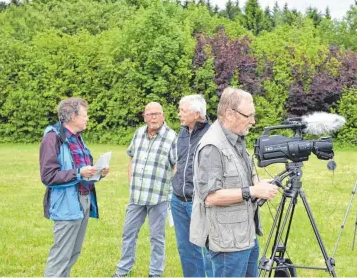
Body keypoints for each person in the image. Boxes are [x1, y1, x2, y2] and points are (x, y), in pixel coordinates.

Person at [190, 87, 279, 277]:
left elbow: (242, 178)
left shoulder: (236, 139)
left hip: (245, 235)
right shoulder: (212, 146)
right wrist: (253, 191)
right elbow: (211, 197)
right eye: (249, 115)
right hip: (227, 243)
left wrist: (262, 184)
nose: (253, 121)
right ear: (230, 114)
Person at [40, 97, 110, 277]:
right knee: (60, 257)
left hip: (84, 201)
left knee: (72, 254)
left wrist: (97, 173)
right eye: (85, 115)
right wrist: (79, 173)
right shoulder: (52, 138)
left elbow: (84, 171)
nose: (87, 118)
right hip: (66, 205)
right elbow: (48, 176)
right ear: (71, 116)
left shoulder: (78, 138)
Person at [113, 102, 177, 278]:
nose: (153, 117)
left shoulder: (172, 137)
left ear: (163, 115)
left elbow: (176, 166)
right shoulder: (139, 133)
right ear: (145, 116)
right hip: (136, 196)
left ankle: (155, 273)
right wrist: (131, 182)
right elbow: (131, 159)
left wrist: (171, 191)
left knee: (157, 238)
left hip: (159, 197)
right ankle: (123, 270)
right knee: (128, 233)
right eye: (150, 114)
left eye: (157, 113)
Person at [171, 95, 213, 277]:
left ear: (197, 114)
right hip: (178, 201)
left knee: (210, 250)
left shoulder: (212, 134)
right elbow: (179, 163)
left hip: (199, 202)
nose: (179, 114)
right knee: (186, 250)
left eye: (183, 110)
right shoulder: (182, 132)